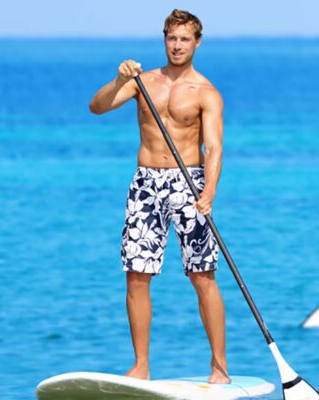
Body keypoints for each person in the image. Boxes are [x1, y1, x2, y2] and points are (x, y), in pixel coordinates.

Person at [88, 9, 230, 384]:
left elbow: (214, 148)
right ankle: (141, 366)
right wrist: (118, 79)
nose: (177, 45)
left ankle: (219, 365)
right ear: (164, 40)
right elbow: (97, 107)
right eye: (172, 38)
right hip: (146, 183)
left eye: (185, 39)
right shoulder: (143, 82)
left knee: (202, 275)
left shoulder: (207, 92)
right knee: (137, 275)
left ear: (197, 43)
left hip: (190, 183)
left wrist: (209, 191)